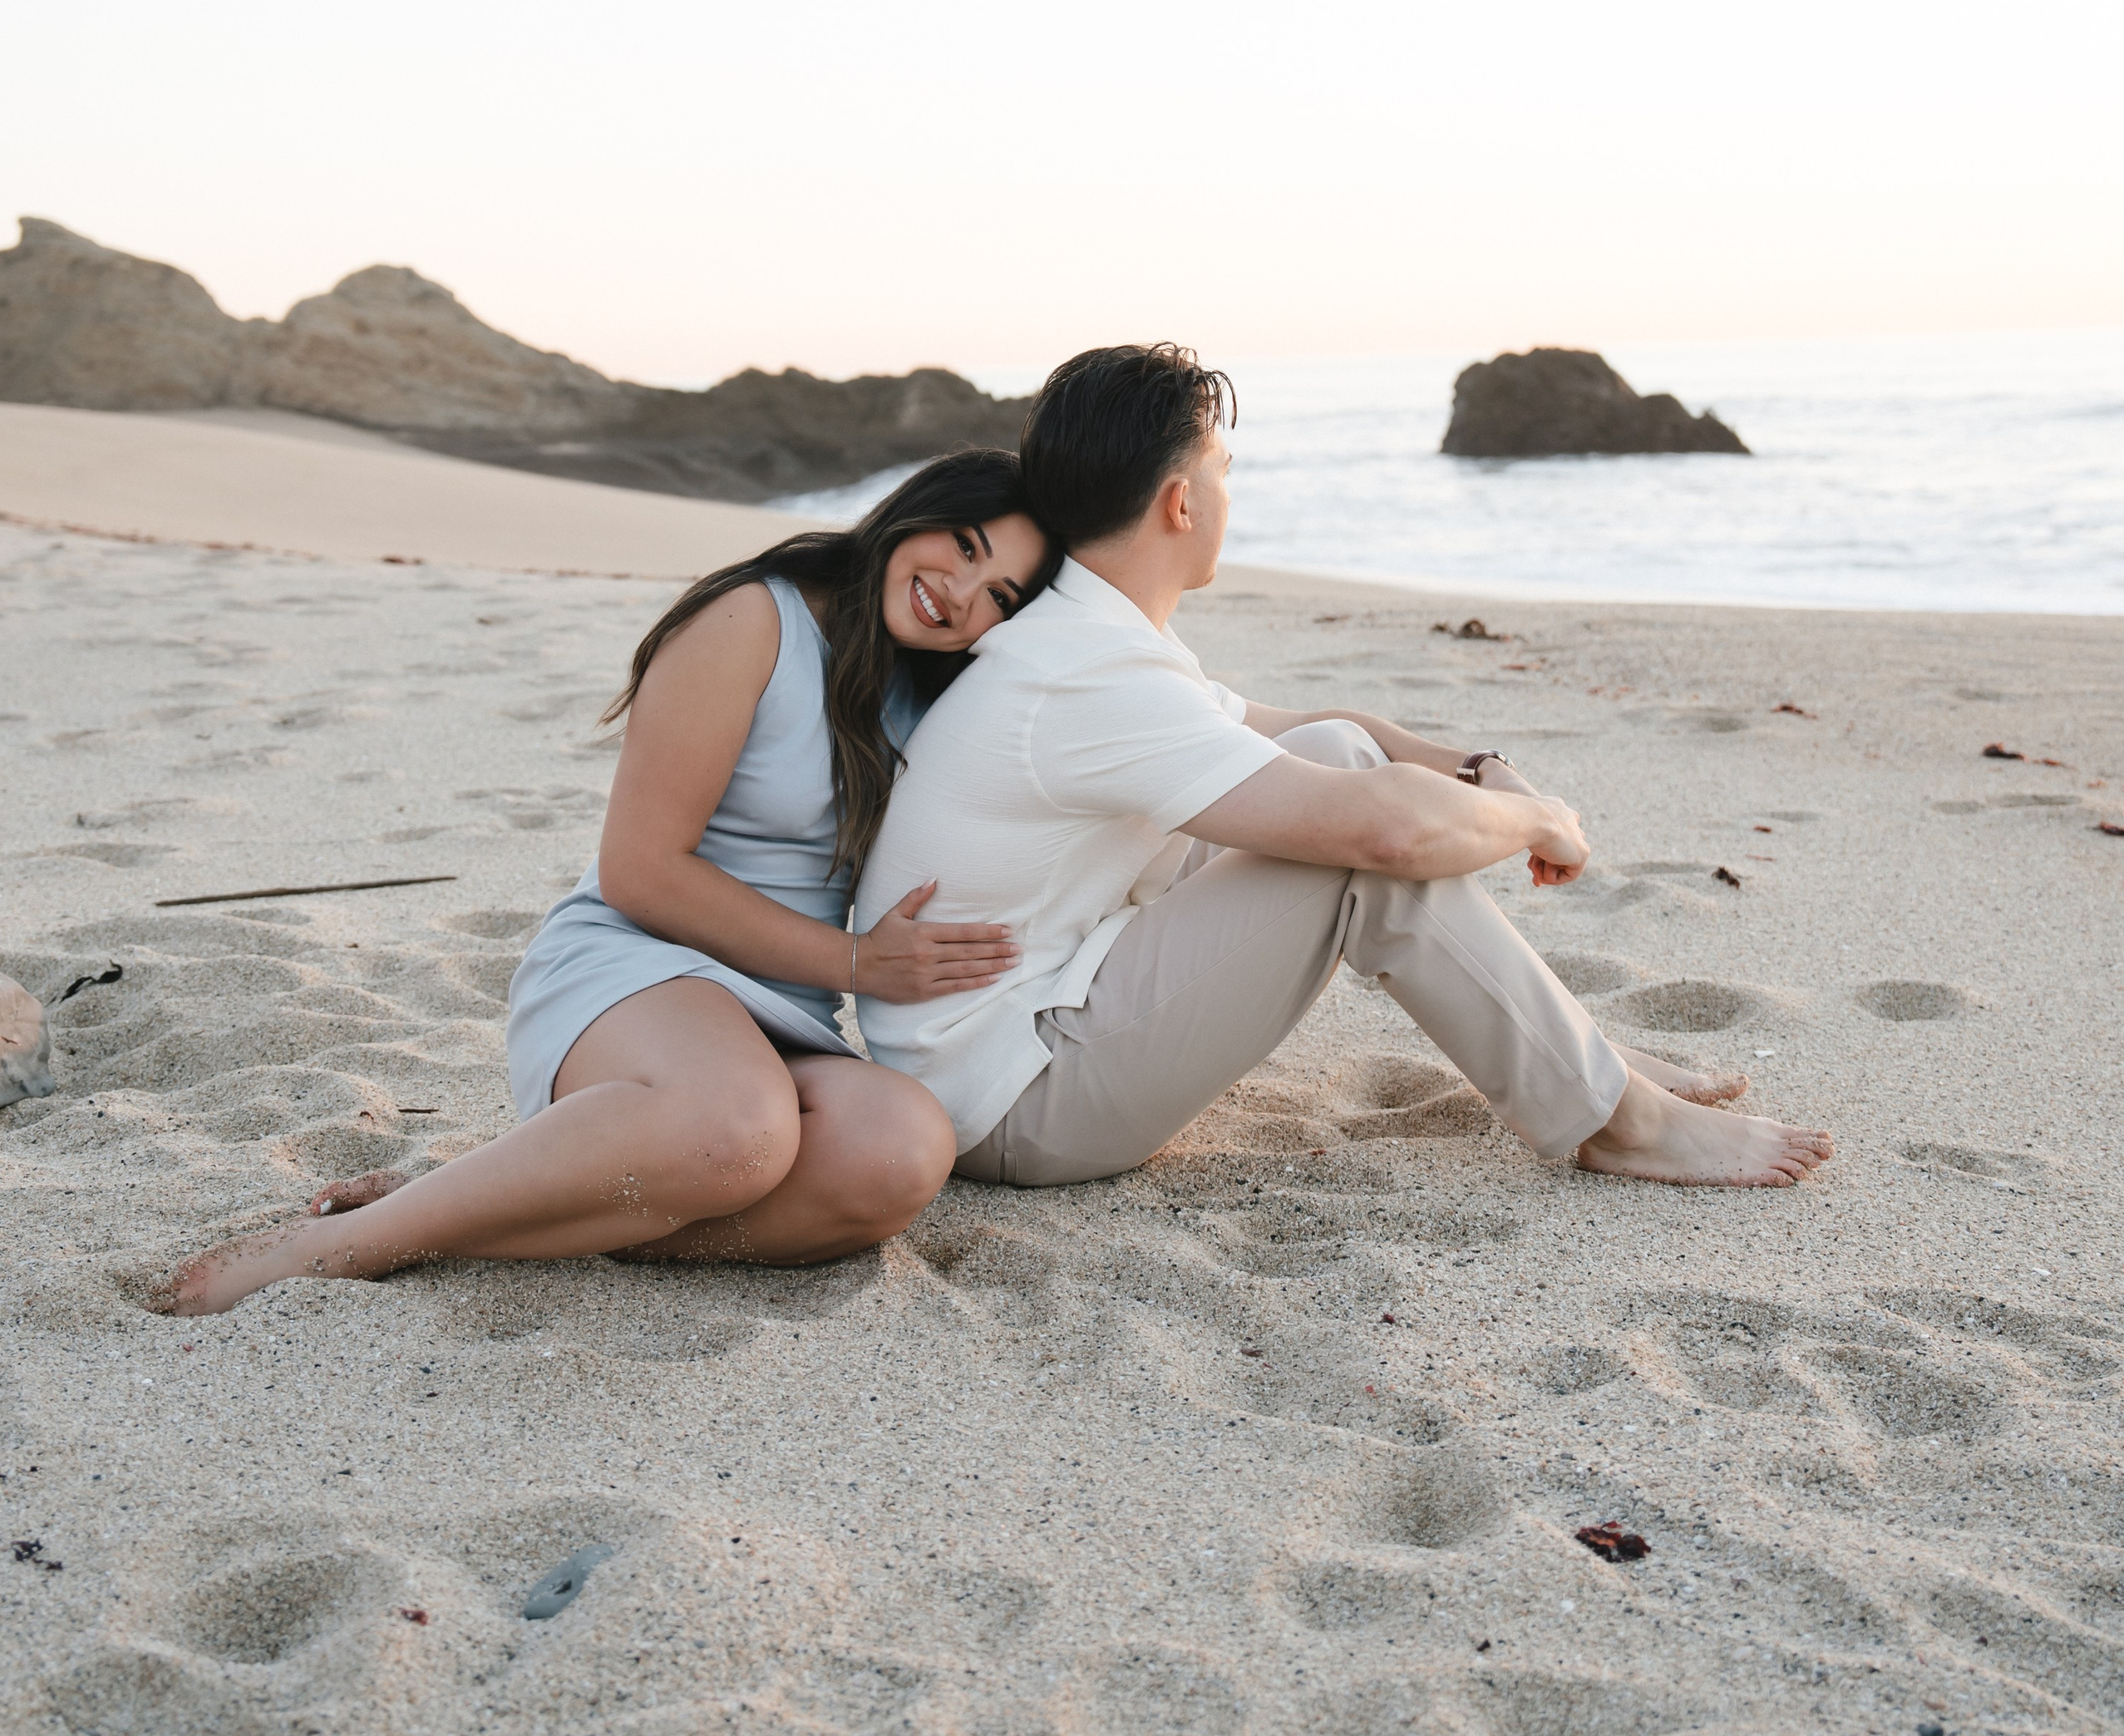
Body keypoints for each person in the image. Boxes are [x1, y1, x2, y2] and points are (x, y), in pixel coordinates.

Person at [855, 348, 1834, 1193]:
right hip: (1013, 1100)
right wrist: (1539, 824)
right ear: (1181, 501)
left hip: (1037, 1016)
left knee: (1336, 763)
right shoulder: (1087, 673)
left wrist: (1482, 769)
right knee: (1358, 846)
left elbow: (1315, 729)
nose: (1229, 497)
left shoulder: (1086, 632)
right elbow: (1390, 832)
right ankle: (1625, 1121)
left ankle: (1585, 1063)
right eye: (1224, 471)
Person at [155, 453, 1055, 1315]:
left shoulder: (941, 691)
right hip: (638, 964)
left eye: (1000, 596)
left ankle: (494, 1209)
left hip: (780, 1013)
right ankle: (343, 1244)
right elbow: (641, 870)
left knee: (898, 1151)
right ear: (916, 509)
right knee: (735, 1130)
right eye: (966, 545)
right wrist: (857, 960)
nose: (961, 594)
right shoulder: (755, 618)